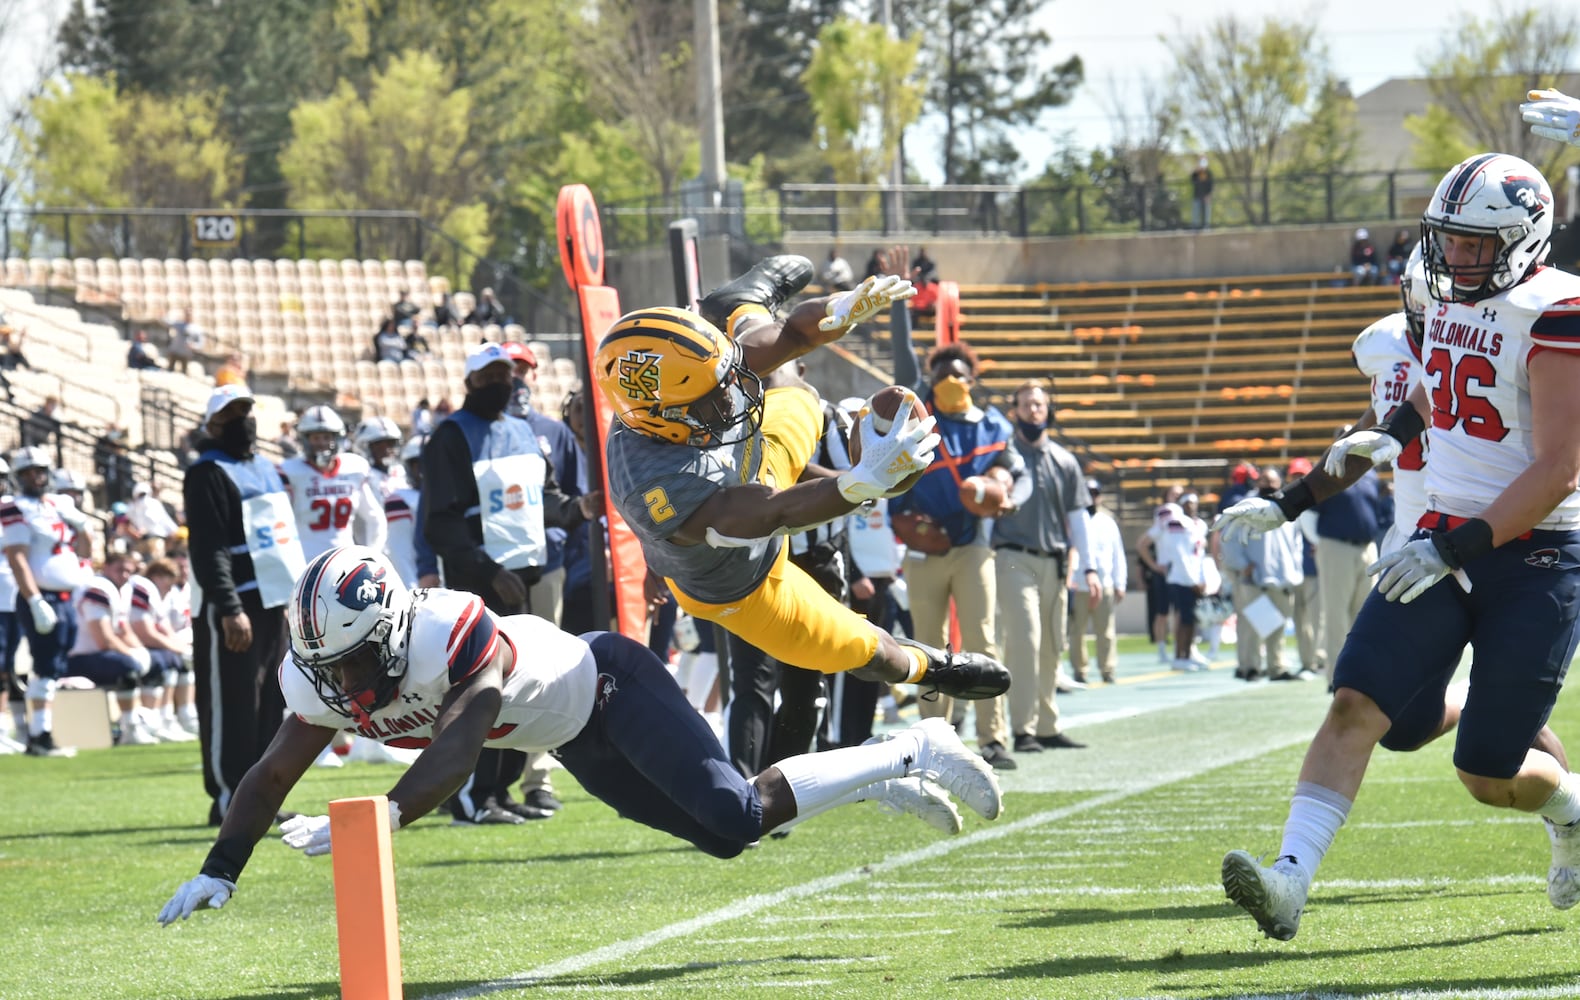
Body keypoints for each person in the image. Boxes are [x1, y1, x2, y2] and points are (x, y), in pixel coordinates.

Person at [157, 546, 1005, 926]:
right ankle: (872, 778)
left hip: (610, 685)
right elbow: (270, 775)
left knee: (736, 814)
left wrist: (378, 822)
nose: (341, 684)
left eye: (351, 663)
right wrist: (220, 870)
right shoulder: (325, 670)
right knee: (725, 836)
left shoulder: (447, 628)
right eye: (327, 667)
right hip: (571, 736)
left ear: (387, 629)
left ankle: (909, 748)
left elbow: (457, 753)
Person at [1214, 152, 1580, 941]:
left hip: (1536, 555)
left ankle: (1572, 806)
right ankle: (1289, 881)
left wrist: (1457, 548)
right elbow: (1412, 410)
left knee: (1485, 771)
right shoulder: (1450, 300)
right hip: (1441, 537)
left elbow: (1557, 467)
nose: (1455, 257)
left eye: (1475, 244)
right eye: (1448, 240)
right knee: (1355, 702)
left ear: (1525, 239)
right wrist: (1293, 499)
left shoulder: (1556, 311)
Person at [593, 253, 1009, 744]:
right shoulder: (653, 484)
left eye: (724, 379)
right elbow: (777, 510)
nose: (731, 398)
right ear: (661, 415)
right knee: (872, 653)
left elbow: (791, 337)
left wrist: (840, 309)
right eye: (713, 397)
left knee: (794, 387)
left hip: (749, 470)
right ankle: (932, 667)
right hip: (743, 585)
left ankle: (741, 305)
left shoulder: (687, 387)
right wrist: (861, 483)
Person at [421, 341, 594, 824]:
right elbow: (441, 522)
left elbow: (547, 500)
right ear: (468, 382)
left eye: (506, 374)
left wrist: (578, 510)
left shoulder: (522, 432)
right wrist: (486, 570)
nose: (502, 383)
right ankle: (471, 796)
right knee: (474, 687)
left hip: (526, 574)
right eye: (490, 376)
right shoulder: (449, 437)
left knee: (516, 688)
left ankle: (499, 788)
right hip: (477, 582)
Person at [883, 245, 1026, 770]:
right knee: (925, 647)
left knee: (984, 638)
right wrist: (900, 299)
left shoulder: (992, 427)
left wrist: (1003, 493)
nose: (952, 378)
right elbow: (902, 362)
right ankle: (931, 739)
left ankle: (993, 738)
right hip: (922, 542)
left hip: (973, 545)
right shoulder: (918, 411)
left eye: (960, 372)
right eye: (944, 371)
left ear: (974, 377)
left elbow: (1016, 475)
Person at [182, 384, 306, 824]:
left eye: (246, 410)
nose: (243, 420)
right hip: (232, 605)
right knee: (231, 703)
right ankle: (228, 798)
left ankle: (262, 797)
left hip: (273, 601)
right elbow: (208, 548)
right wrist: (229, 606)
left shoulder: (265, 469)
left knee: (270, 701)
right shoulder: (208, 472)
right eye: (232, 413)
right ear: (212, 424)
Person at [502, 339, 586, 816]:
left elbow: (575, 500)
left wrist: (567, 556)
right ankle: (480, 781)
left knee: (543, 672)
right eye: (508, 369)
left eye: (523, 369)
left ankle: (538, 777)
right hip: (494, 571)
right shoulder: (476, 431)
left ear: (534, 375)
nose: (516, 378)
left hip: (547, 566)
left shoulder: (553, 432)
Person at [992, 381, 1094, 753]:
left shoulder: (1065, 460)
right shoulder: (1004, 457)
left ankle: (1048, 725)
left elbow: (1078, 517)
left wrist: (1091, 568)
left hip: (1055, 561)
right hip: (1013, 556)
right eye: (1027, 404)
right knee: (1025, 641)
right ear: (1015, 410)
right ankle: (1023, 729)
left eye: (1039, 404)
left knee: (1053, 645)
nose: (1034, 410)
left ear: (1048, 410)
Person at [3, 446, 93, 757]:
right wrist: (35, 599)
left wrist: (84, 526)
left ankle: (42, 733)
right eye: (28, 473)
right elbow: (17, 558)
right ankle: (39, 736)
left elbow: (84, 552)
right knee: (44, 667)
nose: (35, 477)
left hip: (65, 598)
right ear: (18, 477)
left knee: (53, 669)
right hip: (42, 597)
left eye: (39, 471)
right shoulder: (15, 508)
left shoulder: (59, 504)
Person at [64, 551, 165, 746]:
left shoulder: (123, 589)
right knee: (127, 667)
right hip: (81, 656)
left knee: (157, 662)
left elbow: (123, 629)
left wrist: (140, 651)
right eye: (120, 569)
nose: (125, 575)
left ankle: (151, 722)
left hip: (101, 654)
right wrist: (132, 654)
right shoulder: (98, 588)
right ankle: (129, 727)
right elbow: (104, 639)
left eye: (129, 571)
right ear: (106, 567)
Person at [278, 405, 386, 564]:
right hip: (306, 562)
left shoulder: (353, 468)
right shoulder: (290, 471)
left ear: (336, 438)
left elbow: (375, 518)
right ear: (305, 440)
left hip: (345, 561)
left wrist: (371, 556)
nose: (321, 443)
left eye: (326, 437)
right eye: (315, 438)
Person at [1068, 479, 1125, 686]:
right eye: (1088, 492)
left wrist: (1120, 583)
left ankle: (1107, 669)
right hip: (1079, 584)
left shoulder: (1108, 522)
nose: (1092, 496)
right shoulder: (1074, 519)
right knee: (1077, 631)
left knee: (1106, 631)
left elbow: (1118, 554)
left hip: (1105, 582)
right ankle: (1080, 670)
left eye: (1095, 492)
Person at [353, 416, 407, 499]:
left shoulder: (402, 473)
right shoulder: (360, 475)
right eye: (378, 445)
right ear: (364, 447)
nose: (386, 450)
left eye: (390, 443)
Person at [1190, 156, 1214, 230]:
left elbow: (1211, 184)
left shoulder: (1209, 173)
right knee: (1196, 211)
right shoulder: (1196, 173)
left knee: (1207, 211)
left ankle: (1206, 226)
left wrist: (1209, 195)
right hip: (1197, 195)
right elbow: (1192, 180)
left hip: (1206, 196)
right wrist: (1196, 170)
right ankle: (1195, 226)